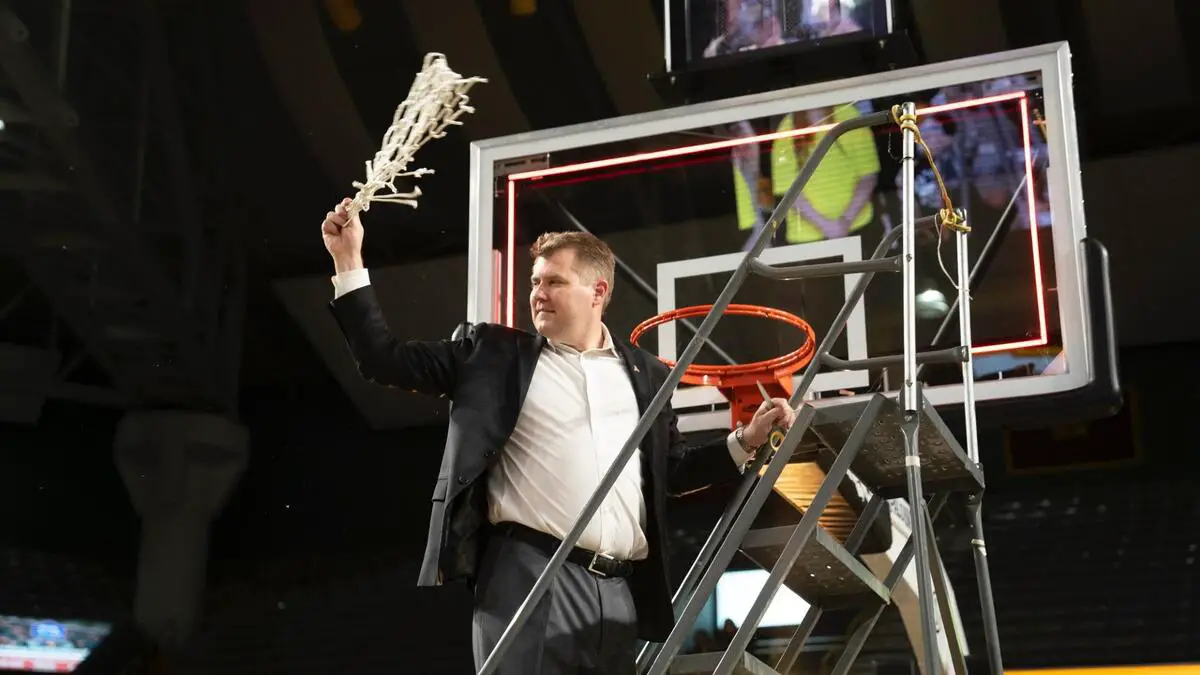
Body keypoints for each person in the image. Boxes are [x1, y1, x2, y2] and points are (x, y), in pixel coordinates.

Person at [320, 198, 797, 674]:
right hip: (529, 575)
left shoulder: (647, 375)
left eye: (554, 282)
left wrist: (747, 439)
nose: (538, 293)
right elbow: (384, 359)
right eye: (535, 282)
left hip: (619, 593)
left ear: (597, 291)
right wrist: (348, 260)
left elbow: (672, 471)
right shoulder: (490, 354)